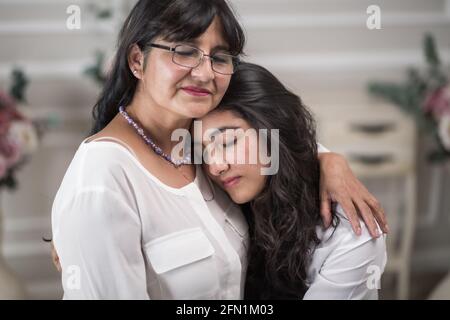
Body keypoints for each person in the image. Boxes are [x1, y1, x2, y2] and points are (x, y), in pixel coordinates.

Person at [51, 0, 387, 299]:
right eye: (183, 50)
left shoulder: (194, 137)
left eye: (220, 57)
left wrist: (328, 160)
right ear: (138, 60)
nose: (204, 72)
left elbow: (269, 130)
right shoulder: (101, 181)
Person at [198, 62, 387, 299]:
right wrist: (328, 159)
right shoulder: (222, 188)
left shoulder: (352, 235)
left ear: (272, 128)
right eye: (202, 150)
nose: (215, 167)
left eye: (227, 142)